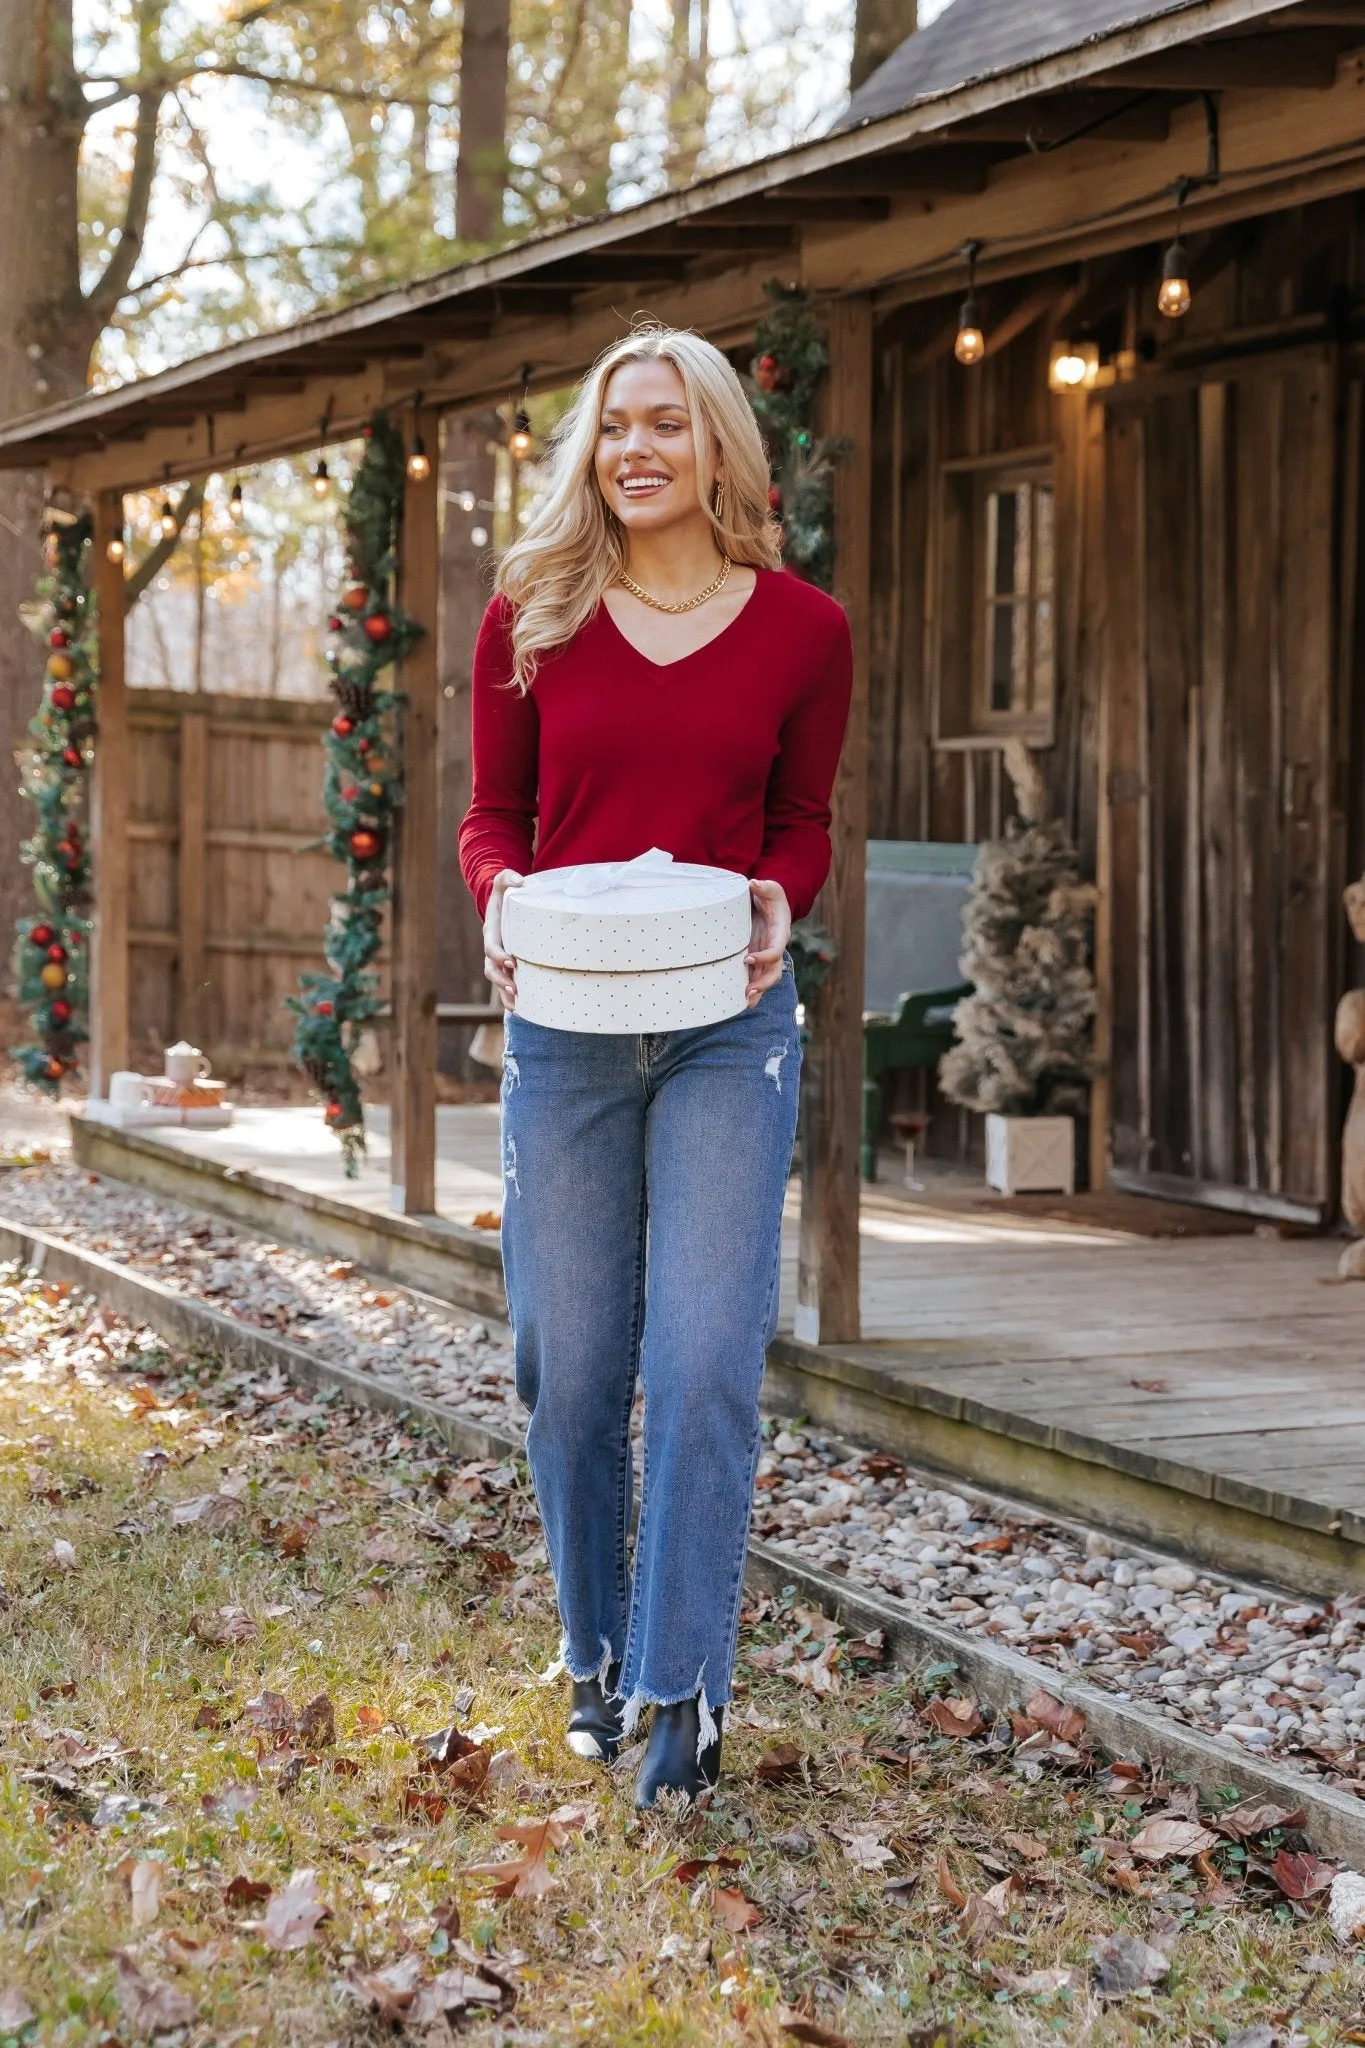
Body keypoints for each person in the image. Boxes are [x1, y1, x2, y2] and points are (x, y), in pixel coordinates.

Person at [459, 324, 852, 1807]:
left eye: (668, 426)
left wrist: (780, 897)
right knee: (569, 1370)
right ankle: (592, 1649)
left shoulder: (806, 631)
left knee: (700, 1358)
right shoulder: (535, 612)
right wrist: (498, 899)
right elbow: (494, 817)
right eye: (616, 424)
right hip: (563, 1028)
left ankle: (680, 1694)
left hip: (726, 1030)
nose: (637, 449)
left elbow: (800, 821)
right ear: (591, 446)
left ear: (718, 449)